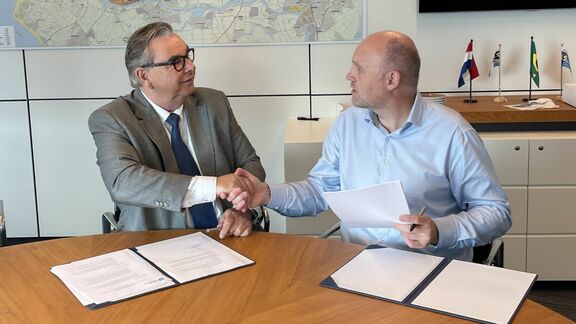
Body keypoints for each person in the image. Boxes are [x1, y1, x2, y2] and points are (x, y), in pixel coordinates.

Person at [228, 31, 511, 261]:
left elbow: (496, 212)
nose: (349, 75)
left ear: (391, 79)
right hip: (358, 266)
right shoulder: (347, 124)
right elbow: (319, 192)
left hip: (431, 273)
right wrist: (265, 194)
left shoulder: (453, 134)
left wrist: (439, 230)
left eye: (359, 69)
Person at [89, 22, 265, 238]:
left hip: (227, 235)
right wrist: (214, 185)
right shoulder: (113, 118)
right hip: (155, 242)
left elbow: (250, 164)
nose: (190, 66)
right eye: (176, 62)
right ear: (144, 76)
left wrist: (241, 211)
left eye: (188, 56)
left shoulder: (213, 102)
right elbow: (123, 182)